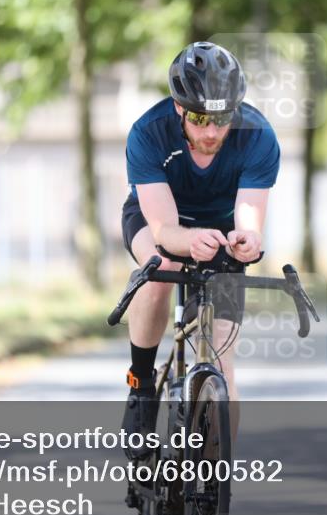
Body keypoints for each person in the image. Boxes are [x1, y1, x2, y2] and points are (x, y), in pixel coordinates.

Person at [119, 41, 280, 458]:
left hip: (222, 228)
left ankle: (213, 476)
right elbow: (164, 229)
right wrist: (188, 240)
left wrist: (249, 241)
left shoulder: (258, 136)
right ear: (178, 109)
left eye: (221, 119)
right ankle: (141, 387)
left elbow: (248, 218)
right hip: (160, 220)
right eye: (198, 118)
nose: (211, 132)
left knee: (224, 363)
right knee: (162, 264)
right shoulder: (147, 133)